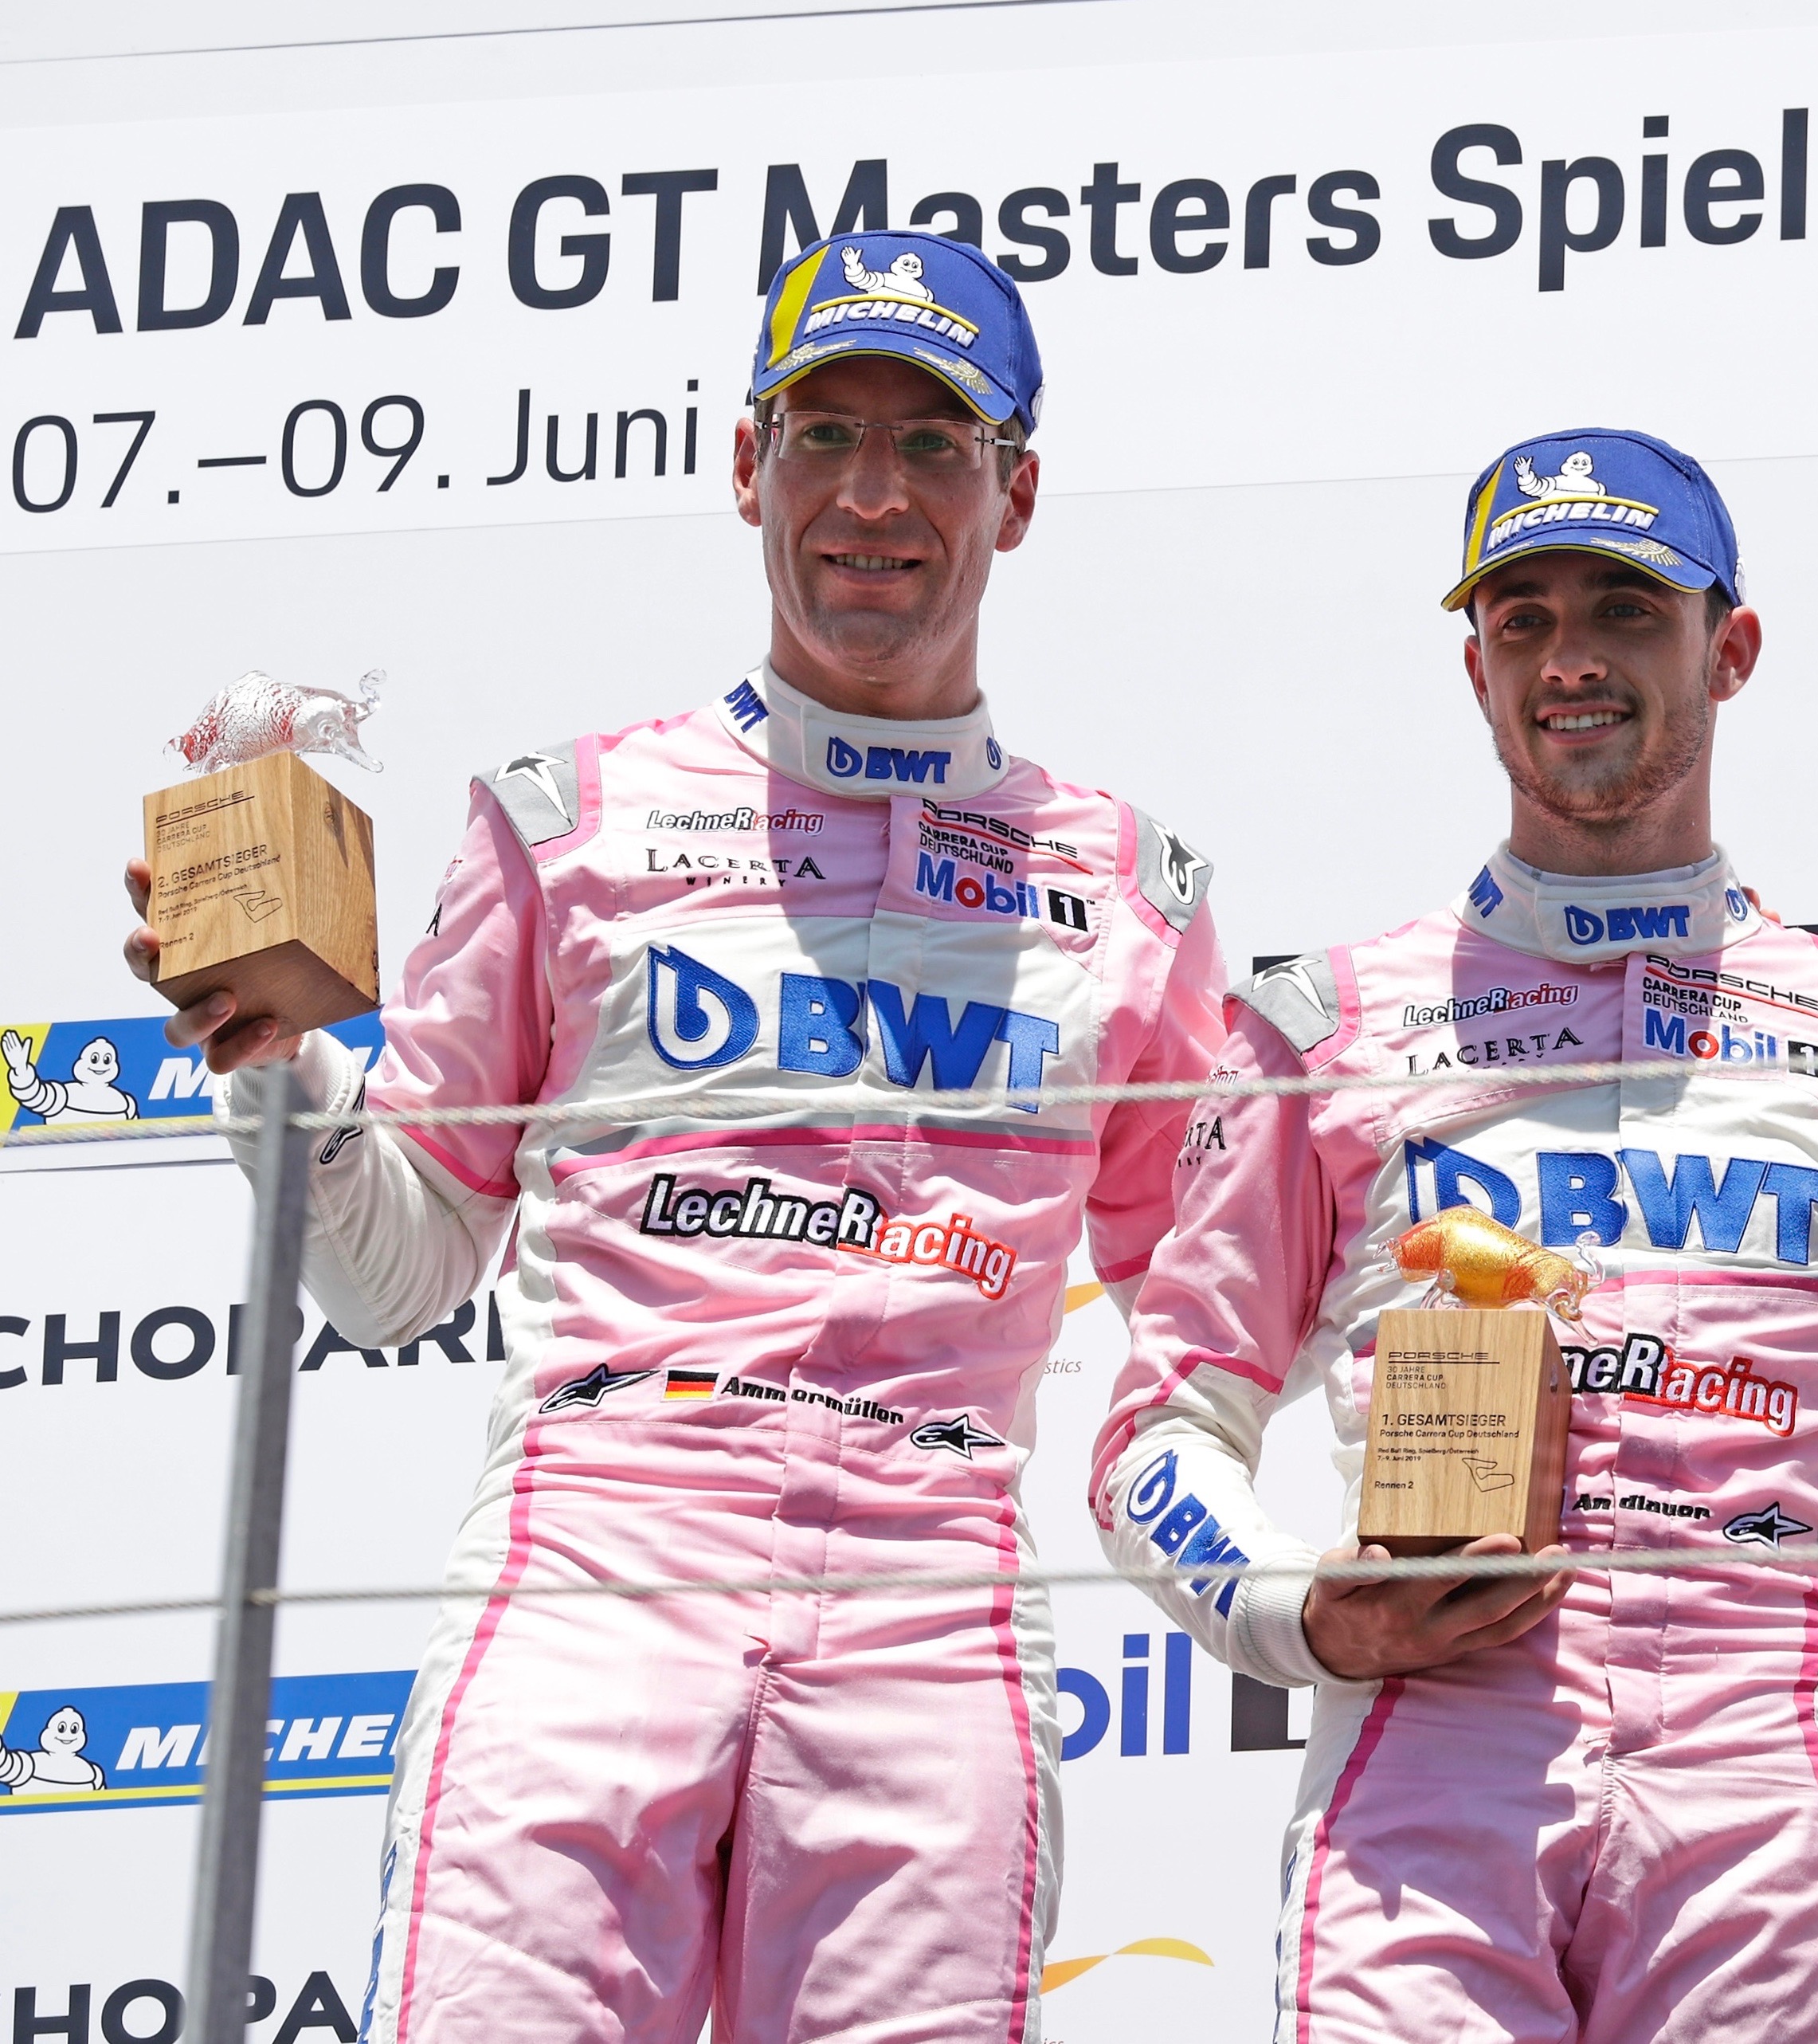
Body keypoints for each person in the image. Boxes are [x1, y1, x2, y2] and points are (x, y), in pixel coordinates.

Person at [120, 229, 1228, 2044]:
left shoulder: (1129, 891)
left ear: (1015, 495)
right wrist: (276, 1063)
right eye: (825, 434)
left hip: (930, 1590)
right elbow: (396, 1273)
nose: (874, 494)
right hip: (600, 1549)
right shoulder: (568, 821)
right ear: (744, 465)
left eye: (935, 442)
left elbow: (1202, 1327)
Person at [1091, 426, 1818, 2043]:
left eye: (1625, 610)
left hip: (1755, 1760)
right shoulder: (1326, 1029)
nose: (1572, 660)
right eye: (1524, 617)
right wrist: (1299, 1607)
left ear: (1731, 647)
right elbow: (1159, 1434)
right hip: (1428, 1754)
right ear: (1475, 668)